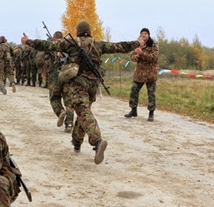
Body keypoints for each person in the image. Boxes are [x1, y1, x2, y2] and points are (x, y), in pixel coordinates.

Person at [22, 21, 143, 164]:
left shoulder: (70, 43)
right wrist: (136, 43)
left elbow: (48, 45)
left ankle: (97, 142)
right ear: (89, 32)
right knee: (82, 114)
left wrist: (28, 41)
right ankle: (77, 142)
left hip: (77, 85)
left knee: (84, 113)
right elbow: (119, 46)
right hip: (92, 85)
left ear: (78, 32)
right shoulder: (98, 44)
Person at [124, 28, 159, 122]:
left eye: (145, 33)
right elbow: (132, 57)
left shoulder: (153, 45)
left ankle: (151, 113)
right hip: (139, 74)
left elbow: (154, 58)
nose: (143, 35)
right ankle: (133, 110)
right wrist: (137, 55)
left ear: (148, 35)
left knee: (151, 94)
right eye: (142, 33)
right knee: (134, 91)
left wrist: (142, 53)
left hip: (150, 74)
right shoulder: (137, 45)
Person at [48, 31, 74, 132]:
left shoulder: (53, 47)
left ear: (54, 38)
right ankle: (69, 124)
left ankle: (60, 112)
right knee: (69, 100)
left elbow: (47, 60)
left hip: (56, 75)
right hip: (68, 74)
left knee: (54, 97)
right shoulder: (70, 46)